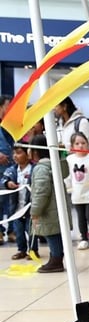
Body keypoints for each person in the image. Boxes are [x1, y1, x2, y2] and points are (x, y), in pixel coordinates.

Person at [29, 135, 71, 273]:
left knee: (51, 234)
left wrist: (35, 211)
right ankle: (56, 258)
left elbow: (41, 192)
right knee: (57, 233)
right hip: (58, 209)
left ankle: (56, 260)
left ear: (35, 151)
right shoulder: (55, 164)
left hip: (48, 210)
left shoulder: (41, 168)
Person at [0, 146, 38, 260]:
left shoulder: (34, 169)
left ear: (28, 154)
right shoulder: (11, 170)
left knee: (30, 230)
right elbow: (3, 180)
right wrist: (8, 183)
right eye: (14, 153)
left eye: (19, 153)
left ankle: (33, 250)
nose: (15, 156)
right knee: (18, 231)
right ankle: (21, 250)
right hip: (16, 208)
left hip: (29, 207)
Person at [0, 95, 16, 245]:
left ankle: (12, 231)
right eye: (8, 106)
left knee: (12, 201)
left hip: (11, 168)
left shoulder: (9, 125)